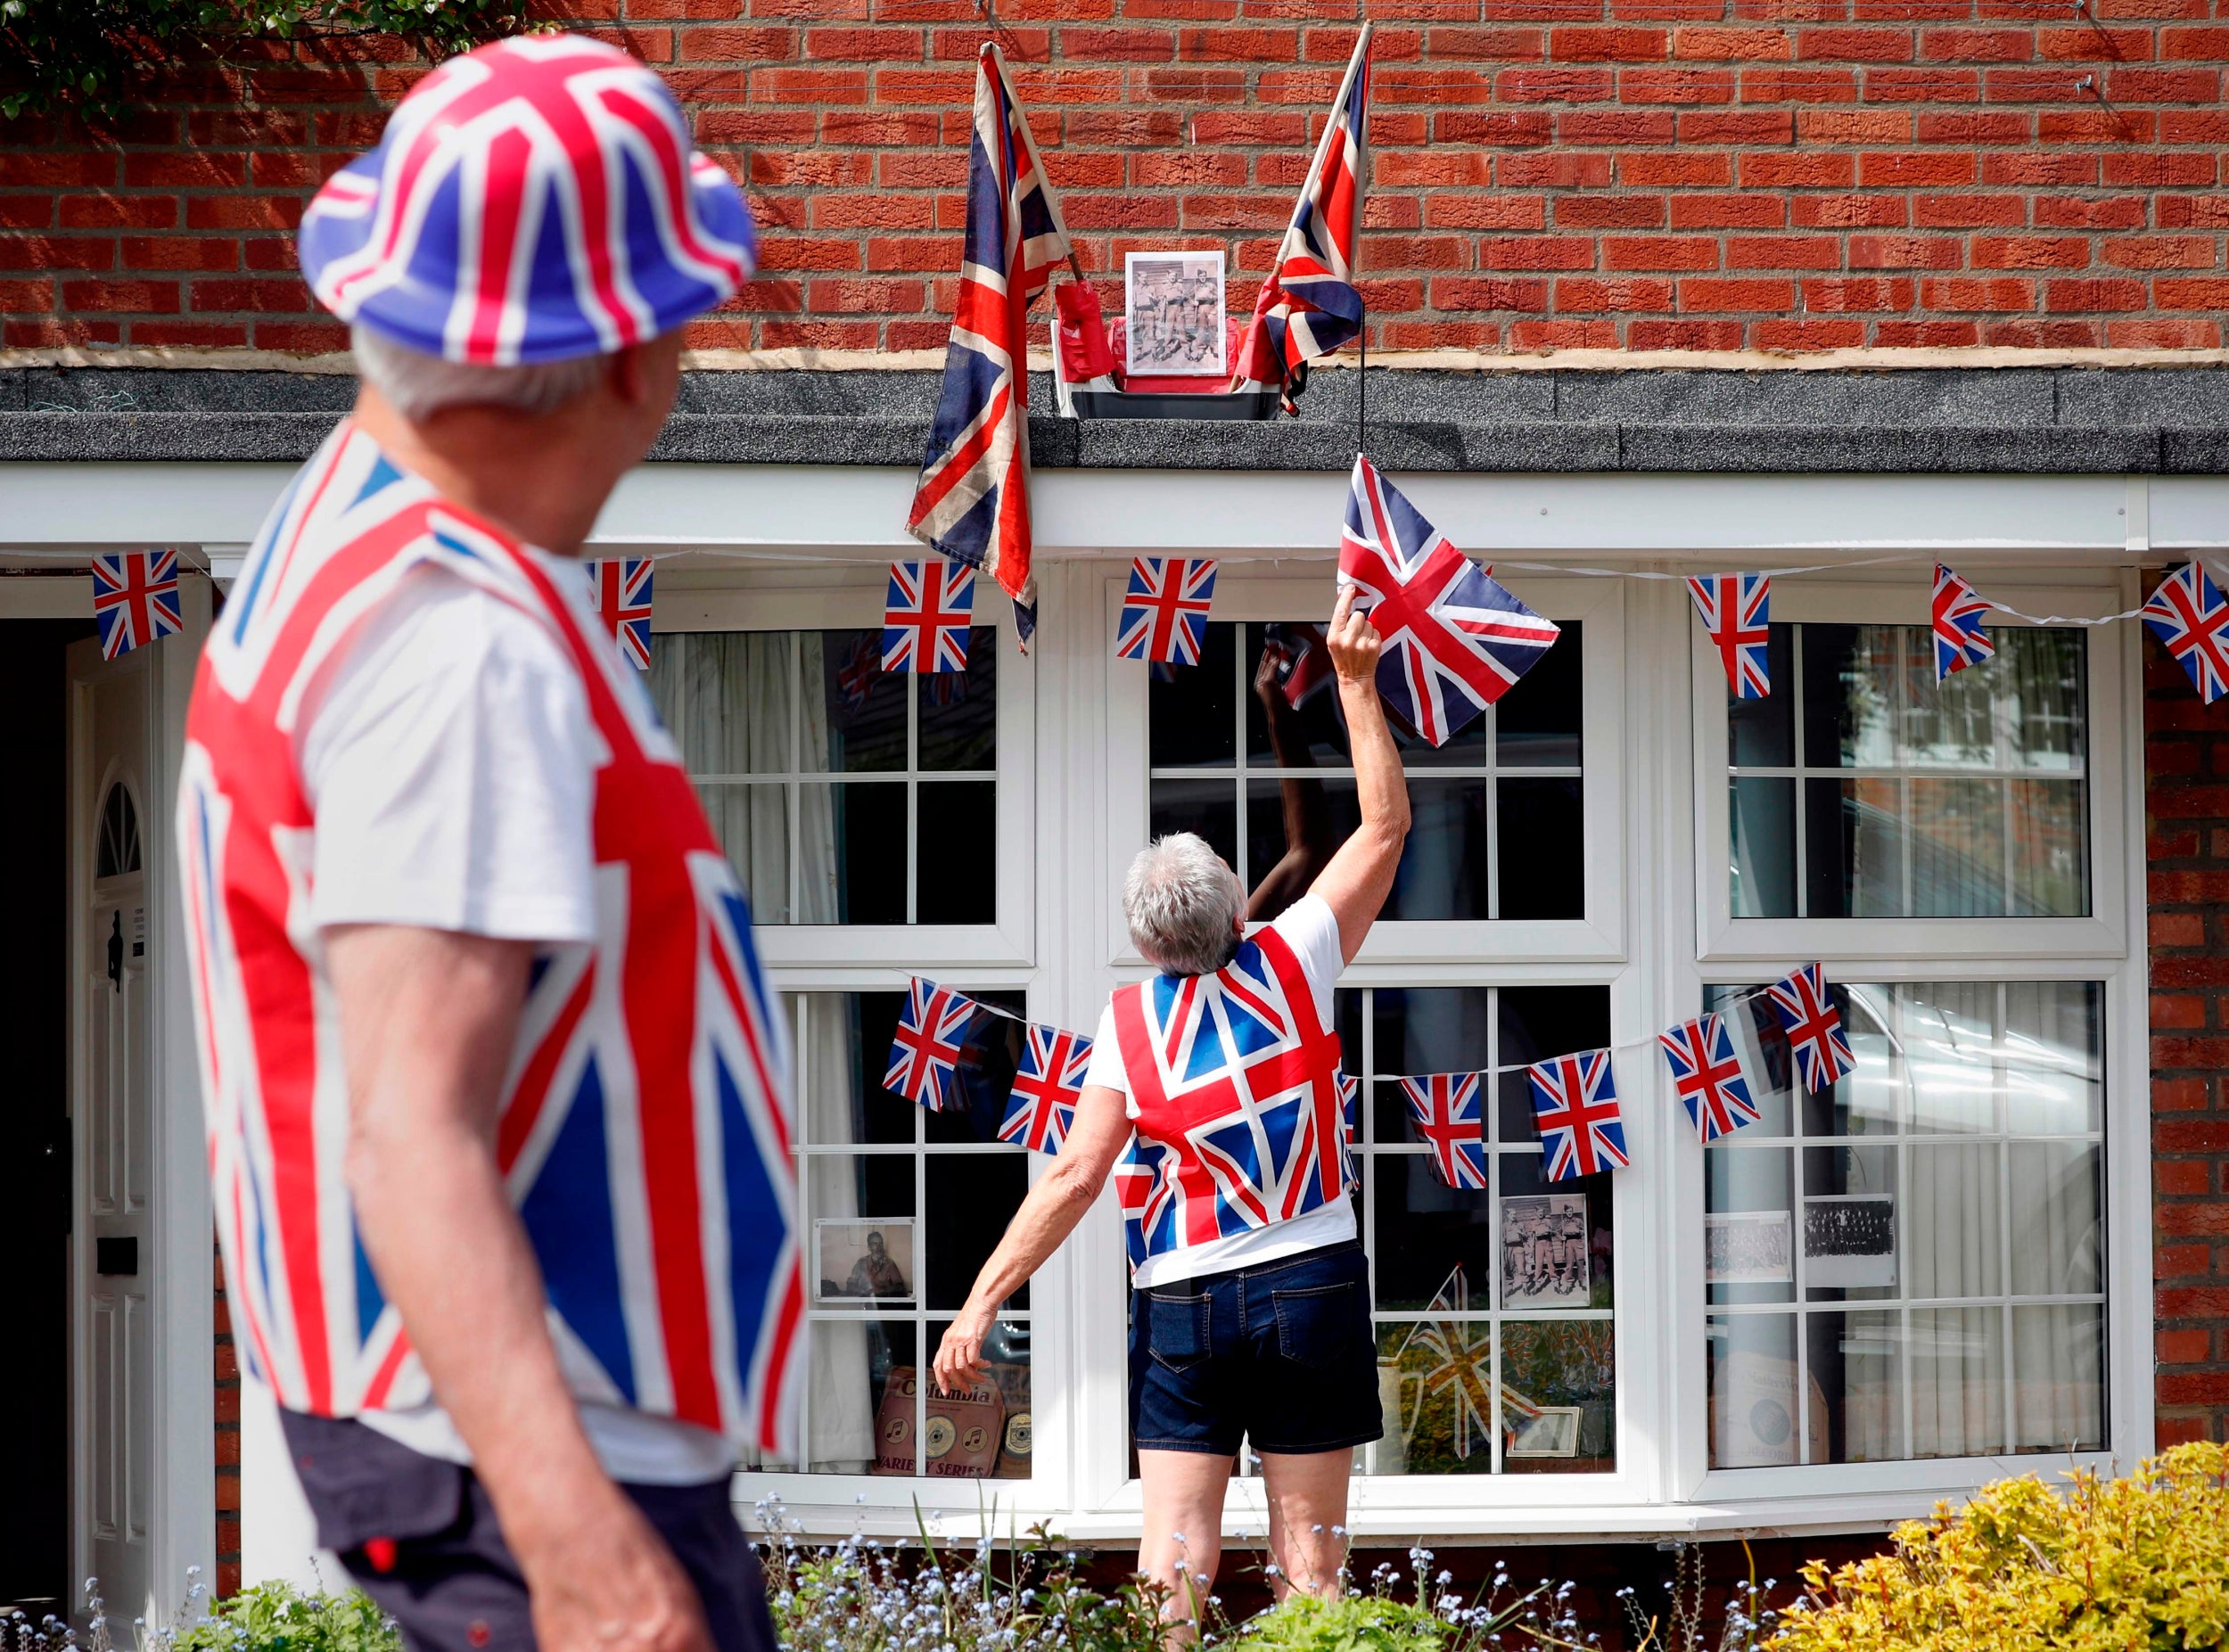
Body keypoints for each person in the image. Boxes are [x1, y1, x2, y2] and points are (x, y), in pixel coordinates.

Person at [176, 36, 795, 1652]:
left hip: (463, 1438)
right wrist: (583, 1553)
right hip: (542, 1462)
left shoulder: (349, 535)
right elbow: (409, 1132)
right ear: (630, 364)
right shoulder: (453, 635)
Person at [932, 587, 1411, 1634]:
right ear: (1241, 909)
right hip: (1312, 1277)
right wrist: (1353, 682)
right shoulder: (1294, 959)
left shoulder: (1126, 1028)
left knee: (1175, 1558)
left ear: (1149, 947)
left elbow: (1070, 1175)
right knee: (1310, 1562)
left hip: (1186, 1299)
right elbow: (1383, 822)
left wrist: (978, 1302)